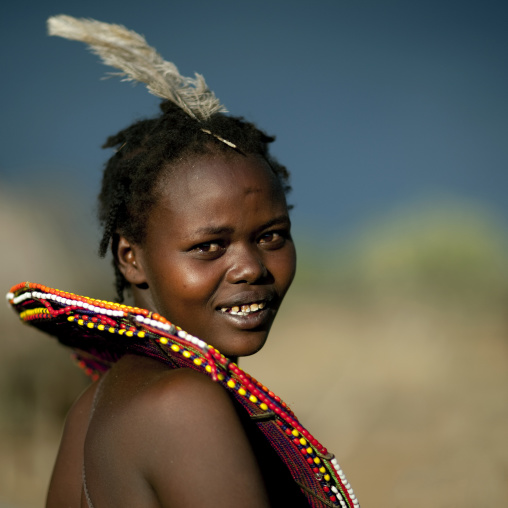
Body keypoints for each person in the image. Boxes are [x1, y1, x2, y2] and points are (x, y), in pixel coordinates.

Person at [8, 15, 359, 508]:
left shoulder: (92, 409)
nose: (251, 268)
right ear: (131, 259)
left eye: (271, 236)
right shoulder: (184, 406)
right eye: (209, 246)